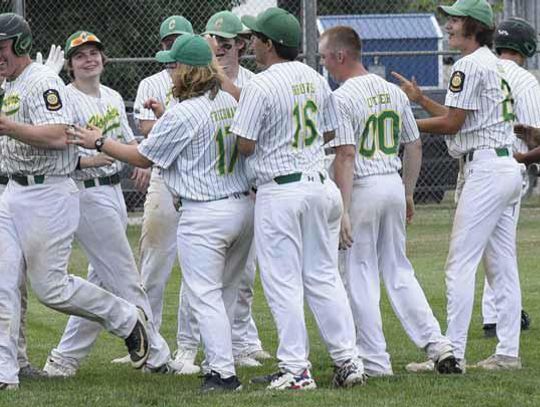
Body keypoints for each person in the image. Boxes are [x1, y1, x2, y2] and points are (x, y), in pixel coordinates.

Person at [67, 34, 253, 393]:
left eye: (174, 65)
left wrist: (100, 142)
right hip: (241, 206)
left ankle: (223, 375)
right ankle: (222, 363)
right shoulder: (229, 101)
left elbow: (143, 157)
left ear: (187, 70)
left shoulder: (186, 110)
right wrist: (164, 118)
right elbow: (195, 134)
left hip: (206, 212)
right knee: (224, 293)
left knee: (204, 294)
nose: (170, 72)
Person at [0, 13, 149, 390]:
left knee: (51, 288)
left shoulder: (43, 81)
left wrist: (8, 125)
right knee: (2, 284)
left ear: (18, 44)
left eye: (1, 47)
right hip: (13, 191)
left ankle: (126, 319)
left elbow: (58, 135)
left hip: (48, 191)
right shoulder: (11, 83)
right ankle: (5, 373)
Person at [231, 7, 365, 390]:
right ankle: (348, 360)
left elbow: (246, 143)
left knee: (283, 281)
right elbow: (327, 133)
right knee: (323, 277)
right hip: (319, 184)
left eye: (256, 38)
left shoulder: (260, 83)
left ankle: (296, 369)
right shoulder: (314, 76)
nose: (253, 43)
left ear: (269, 45)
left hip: (282, 188)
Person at [319, 25, 462, 376]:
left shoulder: (342, 96)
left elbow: (346, 156)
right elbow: (413, 145)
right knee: (399, 270)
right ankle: (438, 344)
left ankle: (374, 359)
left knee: (359, 274)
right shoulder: (393, 92)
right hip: (391, 184)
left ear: (340, 56)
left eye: (324, 56)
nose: (324, 63)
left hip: (363, 186)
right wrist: (409, 190)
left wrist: (344, 209)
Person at [393, 0, 523, 371]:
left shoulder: (467, 65)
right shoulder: (492, 63)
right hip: (503, 165)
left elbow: (452, 125)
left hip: (485, 169)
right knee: (502, 267)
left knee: (459, 265)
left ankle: (453, 355)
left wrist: (407, 121)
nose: (448, 25)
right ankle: (507, 352)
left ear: (474, 26)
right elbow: (461, 119)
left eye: (455, 19)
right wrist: (420, 101)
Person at [43, 31, 175, 377]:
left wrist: (138, 160)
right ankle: (157, 356)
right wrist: (93, 160)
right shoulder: (66, 99)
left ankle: (63, 359)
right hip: (85, 191)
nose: (89, 59)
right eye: (81, 55)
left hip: (113, 190)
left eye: (94, 53)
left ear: (103, 59)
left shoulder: (114, 96)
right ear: (70, 66)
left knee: (102, 280)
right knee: (126, 277)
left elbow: (128, 140)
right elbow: (60, 154)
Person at [169, 9, 270, 369]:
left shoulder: (247, 85)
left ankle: (231, 352)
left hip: (233, 193)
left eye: (226, 43)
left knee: (234, 283)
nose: (220, 49)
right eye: (213, 42)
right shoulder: (198, 85)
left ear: (240, 45)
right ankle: (188, 349)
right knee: (200, 286)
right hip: (207, 195)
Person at [111, 15, 202, 374]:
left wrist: (168, 119)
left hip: (195, 181)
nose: (172, 48)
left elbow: (157, 135)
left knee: (200, 272)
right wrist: (168, 120)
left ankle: (190, 348)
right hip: (165, 177)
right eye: (167, 42)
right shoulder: (153, 79)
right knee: (153, 266)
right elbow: (147, 129)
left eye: (178, 41)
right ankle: (147, 339)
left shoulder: (204, 80)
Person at [0, 43, 65, 380]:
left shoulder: (16, 84)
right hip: (11, 187)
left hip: (14, 187)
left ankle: (16, 361)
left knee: (14, 283)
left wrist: (42, 79)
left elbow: (41, 124)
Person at [478, 17, 537, 338]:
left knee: (482, 247)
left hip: (474, 166)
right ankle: (500, 314)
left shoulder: (478, 68)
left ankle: (498, 312)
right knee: (501, 246)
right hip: (508, 167)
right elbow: (534, 133)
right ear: (526, 48)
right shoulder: (524, 79)